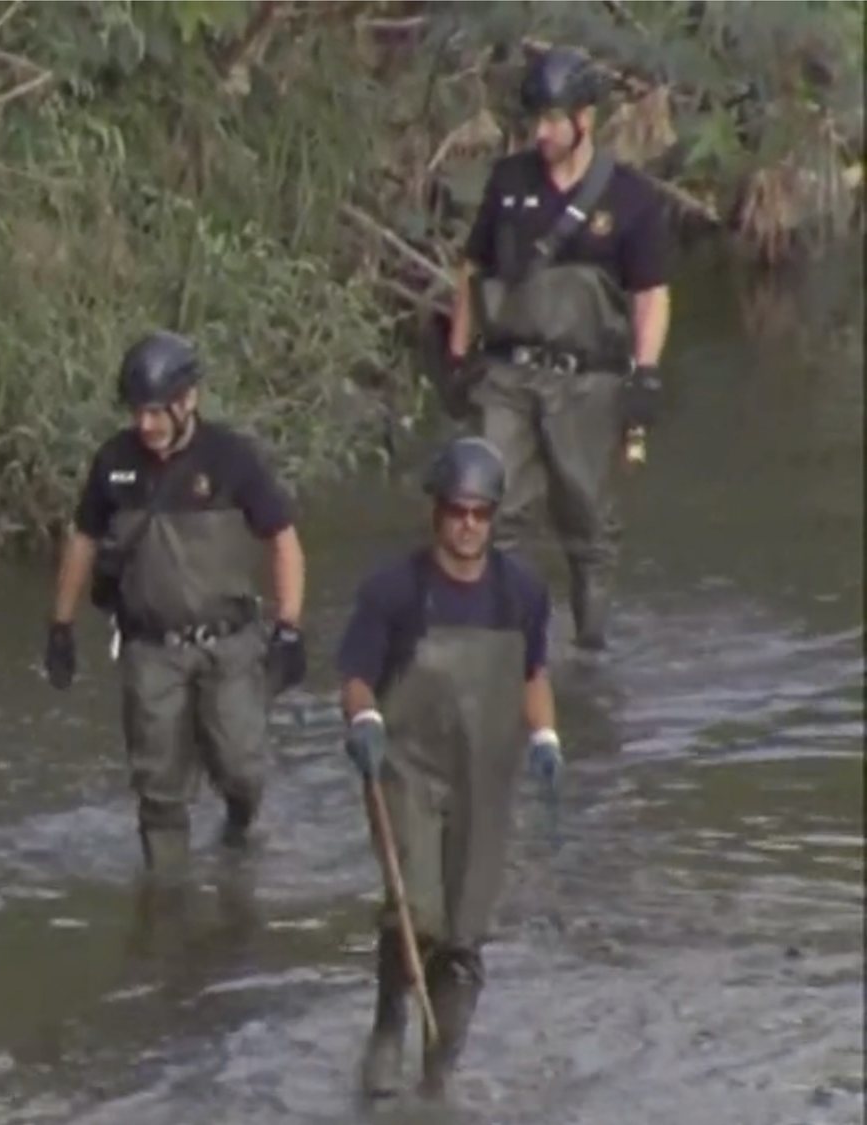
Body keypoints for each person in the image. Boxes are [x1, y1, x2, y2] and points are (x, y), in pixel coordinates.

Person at [335, 436, 563, 1100]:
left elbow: (533, 672)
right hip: (406, 767)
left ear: (494, 517)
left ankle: (441, 1067)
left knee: (464, 936)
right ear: (436, 510)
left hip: (484, 776)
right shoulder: (394, 589)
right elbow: (355, 675)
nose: (468, 525)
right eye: (457, 510)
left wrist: (545, 734)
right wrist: (364, 722)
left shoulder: (521, 591)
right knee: (417, 910)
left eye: (480, 513)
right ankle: (388, 1025)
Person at [43, 331, 307, 874]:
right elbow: (84, 540)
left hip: (230, 645)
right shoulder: (112, 464)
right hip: (151, 650)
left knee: (240, 767)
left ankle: (239, 826)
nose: (146, 425)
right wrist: (61, 625)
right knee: (159, 790)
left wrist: (289, 625)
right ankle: (165, 908)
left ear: (189, 401)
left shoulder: (233, 459)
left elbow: (282, 539)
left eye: (158, 411)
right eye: (138, 412)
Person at [439, 45, 673, 651]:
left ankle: (591, 644)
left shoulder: (630, 199)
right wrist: (458, 356)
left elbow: (650, 295)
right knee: (488, 502)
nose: (540, 133)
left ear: (585, 119)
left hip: (586, 382)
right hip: (507, 373)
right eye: (534, 120)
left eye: (552, 120)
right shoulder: (509, 181)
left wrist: (645, 375)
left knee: (585, 516)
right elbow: (472, 270)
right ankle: (505, 637)